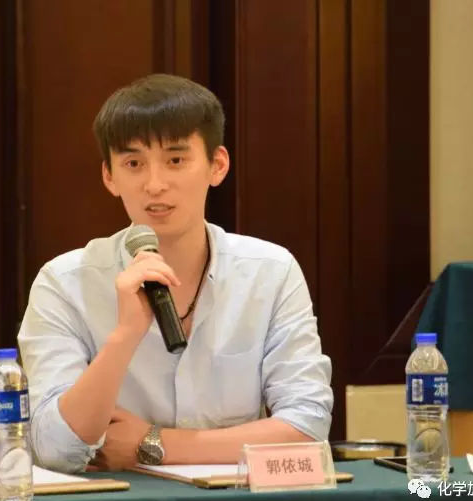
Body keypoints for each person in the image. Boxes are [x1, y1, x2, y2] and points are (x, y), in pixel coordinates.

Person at [18, 74, 333, 473]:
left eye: (176, 160)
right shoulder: (63, 283)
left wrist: (151, 443)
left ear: (217, 166)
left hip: (234, 500)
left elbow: (308, 427)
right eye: (133, 164)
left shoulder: (271, 272)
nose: (154, 185)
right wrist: (124, 336)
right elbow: (53, 448)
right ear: (109, 177)